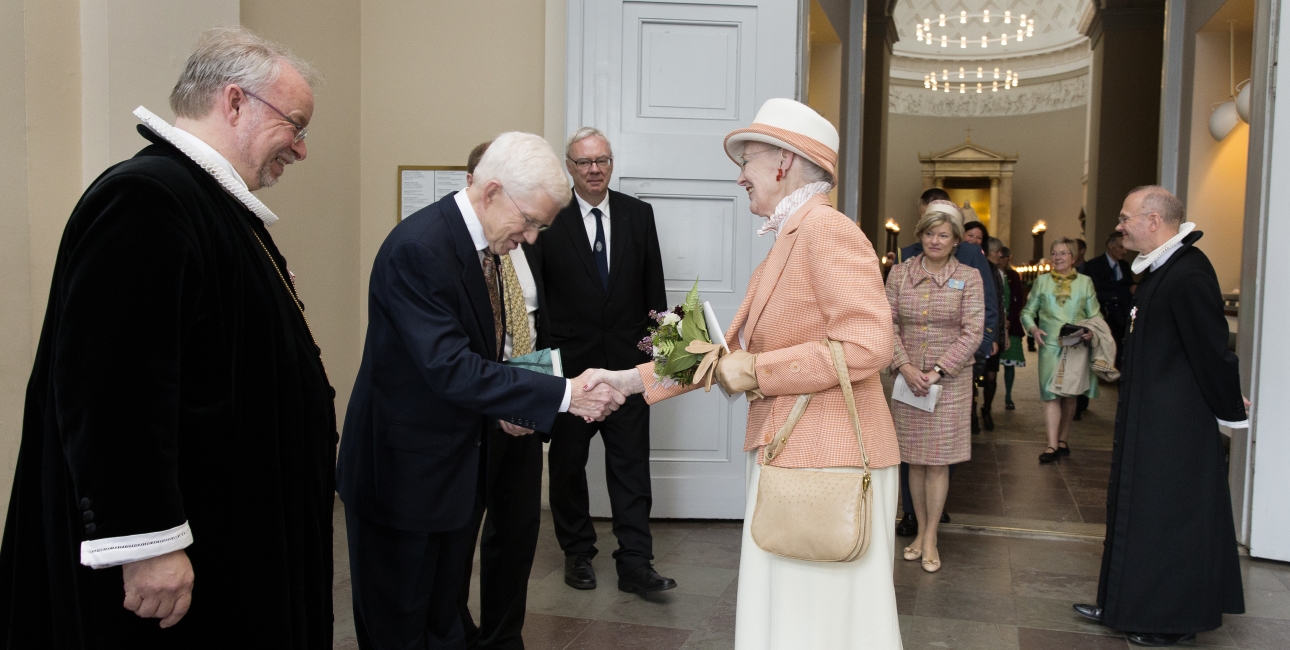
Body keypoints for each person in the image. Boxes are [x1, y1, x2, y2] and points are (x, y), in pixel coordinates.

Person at [0, 27, 338, 647]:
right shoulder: (147, 198)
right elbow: (112, 390)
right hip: (184, 564)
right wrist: (148, 542)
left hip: (232, 533)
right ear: (234, 102)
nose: (301, 148)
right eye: (295, 124)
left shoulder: (210, 203)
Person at [587, 98, 903, 649]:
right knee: (792, 616)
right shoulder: (790, 237)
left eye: (748, 161)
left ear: (783, 162)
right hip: (797, 459)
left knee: (818, 622)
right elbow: (717, 353)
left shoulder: (827, 231)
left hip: (826, 461)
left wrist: (757, 369)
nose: (740, 178)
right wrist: (627, 380)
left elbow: (868, 344)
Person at [335, 132, 626, 650]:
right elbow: (450, 367)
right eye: (531, 221)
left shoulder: (478, 247)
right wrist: (563, 394)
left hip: (447, 471)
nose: (533, 238)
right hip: (402, 480)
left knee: (442, 619)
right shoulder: (421, 249)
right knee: (401, 627)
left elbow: (484, 354)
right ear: (491, 192)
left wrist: (510, 404)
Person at [1074, 186, 1248, 647]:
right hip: (1149, 415)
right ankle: (1122, 604)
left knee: (1169, 518)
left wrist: (1230, 406)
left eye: (1125, 217)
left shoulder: (1189, 272)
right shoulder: (1159, 269)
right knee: (1135, 509)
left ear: (1154, 221)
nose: (1119, 225)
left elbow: (1212, 351)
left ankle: (1172, 620)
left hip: (1177, 423)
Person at [534, 127, 673, 594]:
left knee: (631, 468)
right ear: (569, 167)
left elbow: (655, 292)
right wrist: (552, 371)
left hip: (628, 370)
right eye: (584, 162)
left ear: (611, 164)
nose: (594, 170)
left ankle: (636, 562)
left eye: (602, 161)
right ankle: (578, 554)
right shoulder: (550, 218)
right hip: (573, 373)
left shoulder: (639, 215)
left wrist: (655, 365)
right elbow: (542, 300)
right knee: (569, 466)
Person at [453, 141, 550, 649]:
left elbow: (537, 322)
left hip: (525, 411)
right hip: (475, 414)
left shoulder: (525, 241)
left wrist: (536, 394)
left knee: (516, 534)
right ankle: (455, 629)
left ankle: (502, 636)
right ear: (481, 184)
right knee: (459, 534)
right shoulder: (449, 248)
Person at [886, 204, 984, 574]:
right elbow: (887, 323)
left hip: (950, 383)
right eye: (929, 233)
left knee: (938, 461)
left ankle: (929, 537)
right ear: (920, 236)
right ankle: (918, 530)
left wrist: (939, 371)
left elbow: (972, 331)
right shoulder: (899, 274)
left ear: (956, 239)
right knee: (914, 458)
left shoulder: (970, 278)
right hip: (908, 380)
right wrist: (906, 367)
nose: (935, 240)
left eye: (943, 234)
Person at [1020, 238, 1101, 463]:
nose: (1057, 257)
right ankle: (1052, 444)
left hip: (1075, 345)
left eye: (1063, 253)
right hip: (1049, 345)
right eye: (1054, 253)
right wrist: (1033, 329)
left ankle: (1063, 439)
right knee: (1050, 394)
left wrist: (1091, 330)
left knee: (1070, 396)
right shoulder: (1042, 282)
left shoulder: (1085, 283)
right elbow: (1027, 311)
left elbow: (1095, 314)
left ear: (1073, 258)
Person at [1081, 231, 1136, 369]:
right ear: (1110, 246)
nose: (1124, 252)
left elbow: (1127, 287)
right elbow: (1091, 292)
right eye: (1120, 247)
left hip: (1123, 312)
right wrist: (1118, 292)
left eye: (1125, 248)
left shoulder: (1125, 266)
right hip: (1104, 312)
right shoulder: (1094, 265)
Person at [979, 237, 1009, 430]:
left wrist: (1001, 333)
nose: (1001, 254)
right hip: (976, 329)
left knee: (991, 376)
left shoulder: (998, 272)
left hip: (992, 329)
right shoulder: (976, 267)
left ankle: (987, 409)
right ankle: (971, 413)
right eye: (998, 251)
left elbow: (1000, 304)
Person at [996, 247, 1028, 409]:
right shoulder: (990, 273)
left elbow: (1018, 300)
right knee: (992, 365)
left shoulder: (1013, 276)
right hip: (994, 323)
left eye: (1007, 257)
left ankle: (1008, 396)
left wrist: (1009, 320)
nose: (1004, 260)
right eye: (1001, 257)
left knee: (1010, 363)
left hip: (1011, 323)